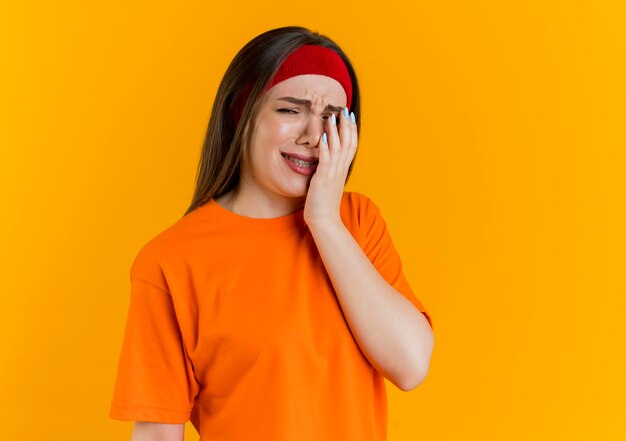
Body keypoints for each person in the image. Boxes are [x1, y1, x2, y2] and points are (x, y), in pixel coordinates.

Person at [109, 25, 434, 441]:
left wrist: (325, 222)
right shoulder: (171, 261)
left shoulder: (358, 222)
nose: (313, 136)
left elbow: (410, 365)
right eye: (290, 110)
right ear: (240, 115)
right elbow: (157, 433)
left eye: (332, 118)